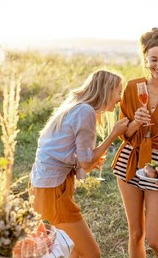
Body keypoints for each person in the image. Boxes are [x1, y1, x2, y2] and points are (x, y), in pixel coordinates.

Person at [29, 70, 129, 258]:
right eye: (118, 92)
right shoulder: (86, 111)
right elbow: (85, 161)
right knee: (91, 253)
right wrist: (114, 133)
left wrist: (87, 161)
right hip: (53, 190)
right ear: (107, 91)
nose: (120, 98)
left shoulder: (75, 106)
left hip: (43, 185)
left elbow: (75, 157)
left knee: (70, 250)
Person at [111, 27, 158, 257]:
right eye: (153, 59)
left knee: (154, 238)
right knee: (136, 233)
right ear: (145, 59)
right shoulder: (133, 88)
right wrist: (135, 122)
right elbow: (123, 131)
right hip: (130, 158)